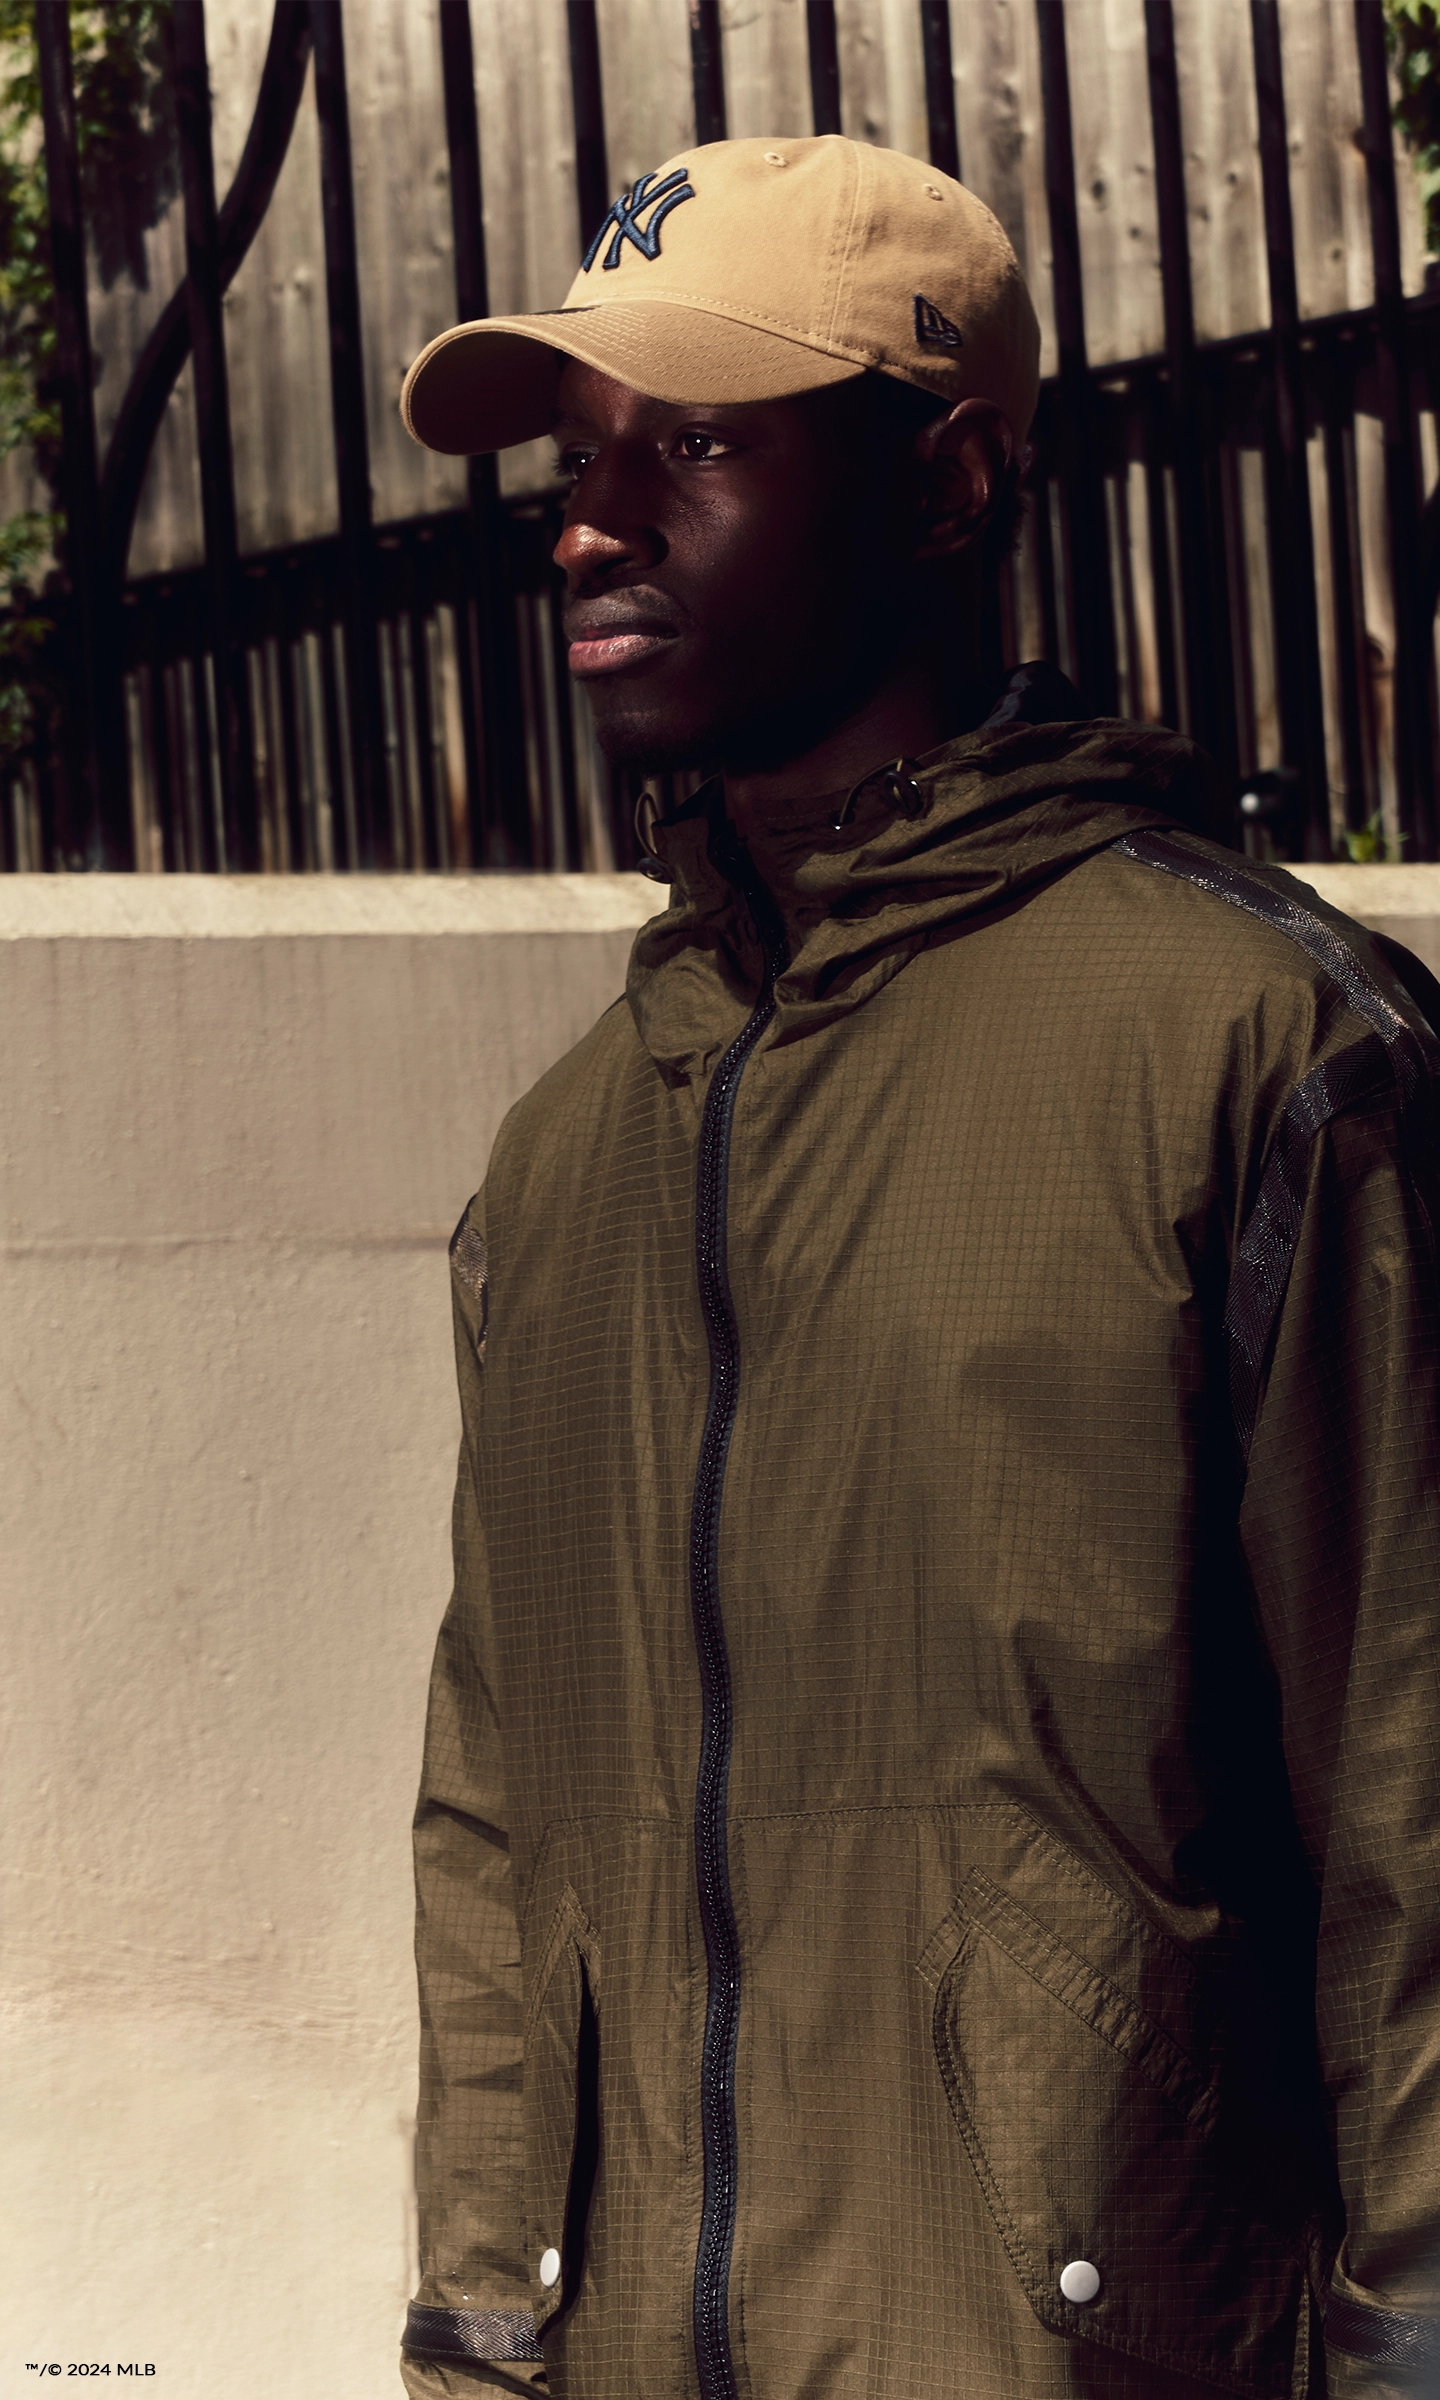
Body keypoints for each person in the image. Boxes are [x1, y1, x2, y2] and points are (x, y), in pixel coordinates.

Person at [395, 135, 1440, 2400]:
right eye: (577, 463)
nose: (589, 525)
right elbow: (495, 1816)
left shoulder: (1260, 1053)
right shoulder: (571, 1158)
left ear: (949, 485)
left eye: (692, 446)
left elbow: (1418, 1793)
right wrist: (478, 2335)